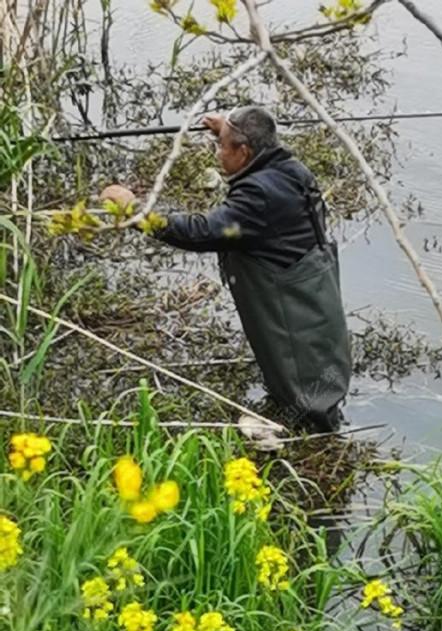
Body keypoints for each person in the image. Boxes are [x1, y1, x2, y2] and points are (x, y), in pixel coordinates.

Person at [101, 106, 351, 432]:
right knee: (315, 372)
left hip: (293, 303)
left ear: (244, 151)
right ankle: (308, 424)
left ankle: (310, 438)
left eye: (223, 146)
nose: (219, 153)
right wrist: (228, 129)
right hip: (311, 288)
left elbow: (199, 231)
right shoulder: (290, 168)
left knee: (307, 397)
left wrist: (134, 210)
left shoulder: (258, 195)